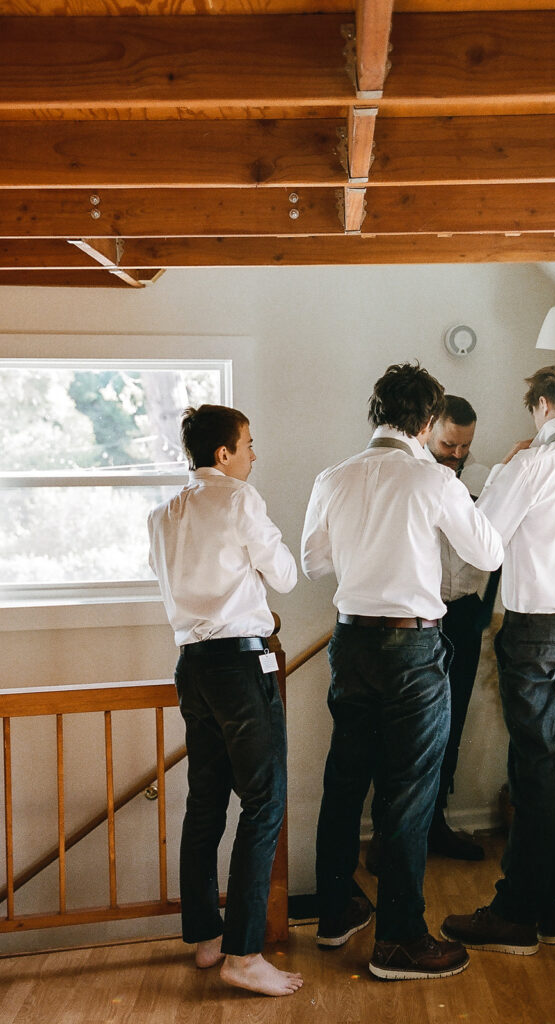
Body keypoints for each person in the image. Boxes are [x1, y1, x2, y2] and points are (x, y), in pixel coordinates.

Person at [301, 363, 503, 981]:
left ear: (377, 412)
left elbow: (313, 564)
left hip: (351, 642)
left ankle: (336, 911)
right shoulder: (433, 480)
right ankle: (399, 940)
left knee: (344, 779)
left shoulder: (333, 477)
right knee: (410, 791)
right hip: (413, 648)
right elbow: (488, 552)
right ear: (426, 420)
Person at [440, 363, 555, 955]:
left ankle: (516, 913)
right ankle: (553, 903)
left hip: (536, 637)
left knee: (533, 770)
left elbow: (482, 546)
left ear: (543, 404)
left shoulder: (531, 466)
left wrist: (501, 472)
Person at [147, 404, 303, 997]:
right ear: (224, 454)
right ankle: (244, 952)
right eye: (248, 445)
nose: (254, 455)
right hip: (240, 666)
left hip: (192, 666)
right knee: (264, 802)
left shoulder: (163, 514)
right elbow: (284, 575)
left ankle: (207, 940)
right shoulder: (239, 500)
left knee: (206, 802)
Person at [426, 395, 494, 862]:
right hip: (421, 614)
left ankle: (437, 824)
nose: (457, 454)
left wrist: (486, 610)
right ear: (430, 429)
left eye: (465, 446)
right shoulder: (413, 478)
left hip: (466, 614)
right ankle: (394, 832)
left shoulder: (487, 479)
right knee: (411, 728)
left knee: (453, 724)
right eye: (449, 444)